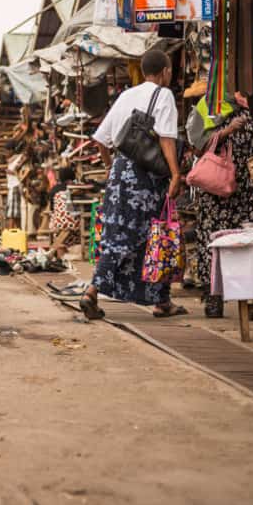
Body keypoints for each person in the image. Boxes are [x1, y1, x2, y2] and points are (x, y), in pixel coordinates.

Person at [79, 49, 186, 320]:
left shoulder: (127, 95)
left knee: (121, 233)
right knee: (151, 235)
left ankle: (161, 300)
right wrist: (175, 174)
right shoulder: (164, 95)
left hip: (119, 171)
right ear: (165, 72)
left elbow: (101, 140)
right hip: (146, 177)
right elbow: (166, 139)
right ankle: (92, 291)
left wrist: (109, 167)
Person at [186, 92, 253, 313]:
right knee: (215, 241)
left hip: (250, 187)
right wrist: (227, 130)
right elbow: (197, 146)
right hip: (217, 190)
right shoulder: (209, 106)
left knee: (251, 241)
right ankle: (214, 297)